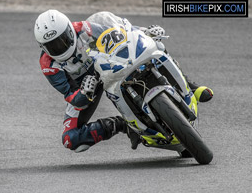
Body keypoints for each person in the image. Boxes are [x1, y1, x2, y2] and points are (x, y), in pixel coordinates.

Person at [34, 10, 213, 152]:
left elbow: (119, 32)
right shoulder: (48, 64)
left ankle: (191, 87)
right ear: (43, 46)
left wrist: (144, 32)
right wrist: (83, 93)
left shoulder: (84, 28)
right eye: (52, 45)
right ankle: (121, 125)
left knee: (156, 45)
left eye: (63, 39)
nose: (60, 47)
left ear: (69, 30)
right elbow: (70, 96)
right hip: (85, 87)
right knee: (69, 139)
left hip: (107, 63)